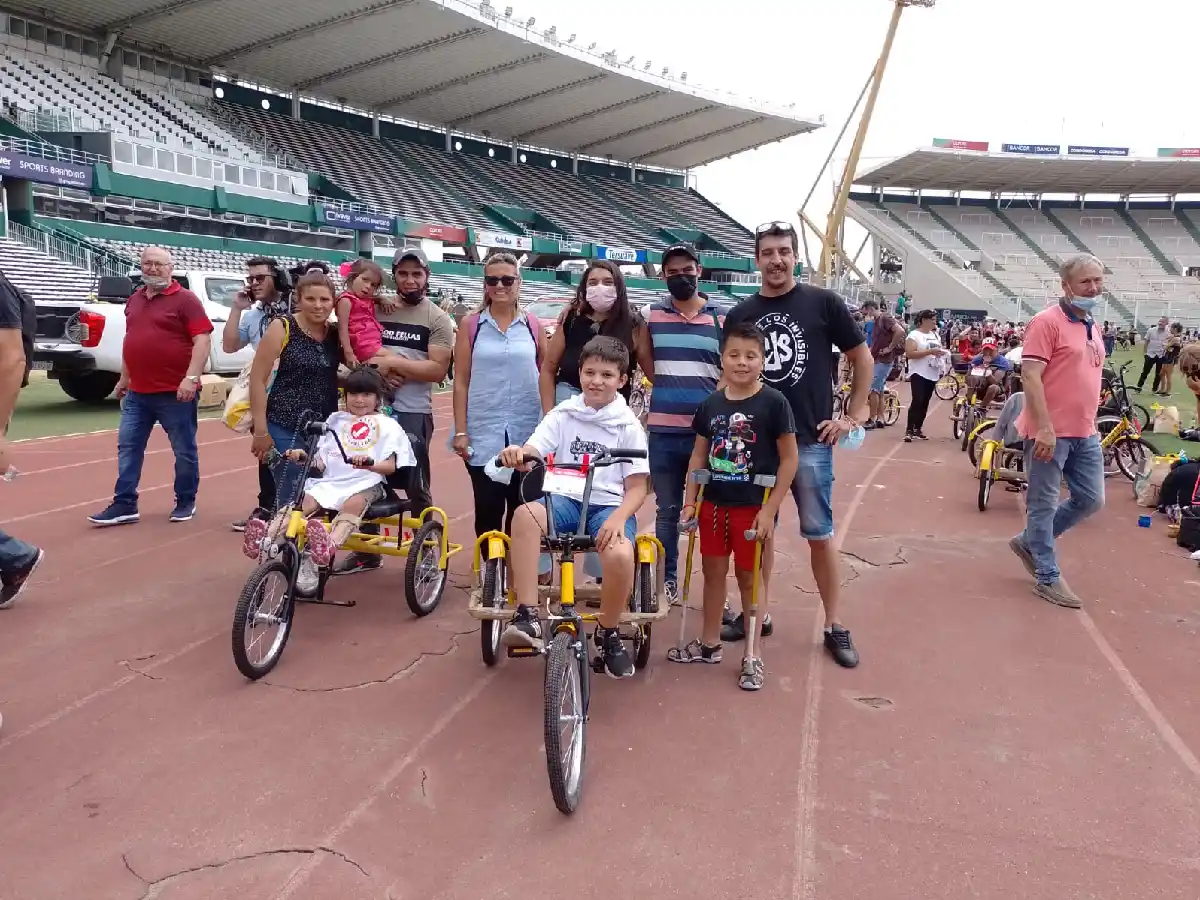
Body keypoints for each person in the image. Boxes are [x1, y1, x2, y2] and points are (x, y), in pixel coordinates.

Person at [722, 222, 871, 668]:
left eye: (784, 251)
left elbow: (860, 356)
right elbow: (730, 374)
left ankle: (834, 624)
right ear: (757, 259)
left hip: (809, 440)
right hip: (754, 445)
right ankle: (758, 614)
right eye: (767, 252)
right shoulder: (740, 313)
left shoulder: (823, 302)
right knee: (757, 536)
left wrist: (854, 414)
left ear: (795, 257)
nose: (776, 260)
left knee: (820, 536)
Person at [496, 336, 650, 679]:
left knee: (622, 555)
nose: (597, 381)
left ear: (622, 380)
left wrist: (620, 517)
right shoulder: (563, 414)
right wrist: (519, 452)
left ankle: (608, 632)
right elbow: (536, 448)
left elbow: (638, 487)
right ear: (579, 373)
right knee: (524, 515)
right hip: (564, 499)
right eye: (590, 372)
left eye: (607, 375)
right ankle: (527, 614)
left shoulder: (628, 427)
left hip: (607, 506)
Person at [670, 322, 798, 691]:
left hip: (751, 507)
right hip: (713, 505)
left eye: (751, 356)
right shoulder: (711, 404)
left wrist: (770, 510)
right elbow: (699, 454)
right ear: (722, 359)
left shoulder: (775, 403)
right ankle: (710, 643)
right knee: (711, 575)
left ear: (763, 360)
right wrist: (690, 502)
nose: (742, 362)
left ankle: (752, 654)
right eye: (734, 355)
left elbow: (789, 459)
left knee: (749, 579)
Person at [334, 248, 452, 577]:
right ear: (394, 276)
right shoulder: (373, 306)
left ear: (427, 276)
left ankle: (428, 550)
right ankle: (365, 551)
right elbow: (351, 347)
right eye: (403, 273)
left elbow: (437, 371)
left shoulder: (437, 319)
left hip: (412, 410)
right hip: (365, 411)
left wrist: (392, 365)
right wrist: (373, 374)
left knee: (414, 482)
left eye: (417, 274)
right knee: (360, 475)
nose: (410, 280)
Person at [1009, 254, 1107, 608]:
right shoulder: (1045, 322)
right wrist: (1045, 428)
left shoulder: (1092, 324)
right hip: (1049, 432)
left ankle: (1029, 542)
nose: (1093, 287)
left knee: (1091, 499)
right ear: (1066, 286)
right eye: (1085, 282)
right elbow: (1030, 376)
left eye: (1097, 280)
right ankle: (1047, 576)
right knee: (1043, 504)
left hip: (1085, 431)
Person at [88, 247, 212, 526]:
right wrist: (124, 378)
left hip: (175, 392)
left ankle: (185, 500)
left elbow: (202, 341)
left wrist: (191, 378)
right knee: (128, 446)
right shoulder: (135, 300)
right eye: (147, 264)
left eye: (158, 264)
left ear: (170, 268)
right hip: (138, 393)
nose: (152, 269)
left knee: (183, 449)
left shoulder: (186, 300)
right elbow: (132, 340)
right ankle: (125, 503)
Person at [243, 366, 414, 564]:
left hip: (367, 483)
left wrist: (369, 464)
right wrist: (304, 458)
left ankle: (330, 542)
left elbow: (391, 466)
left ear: (378, 398)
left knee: (354, 503)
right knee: (303, 502)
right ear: (346, 395)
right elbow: (322, 463)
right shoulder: (336, 420)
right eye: (354, 394)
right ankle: (265, 537)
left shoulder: (388, 425)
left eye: (366, 394)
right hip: (331, 481)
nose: (359, 400)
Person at [635, 243, 726, 605]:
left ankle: (715, 590)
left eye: (686, 269)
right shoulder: (651, 315)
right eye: (672, 272)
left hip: (709, 435)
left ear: (699, 270)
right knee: (668, 510)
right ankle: (667, 581)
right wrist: (667, 385)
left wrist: (712, 406)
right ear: (663, 276)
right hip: (664, 432)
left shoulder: (721, 317)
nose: (680, 276)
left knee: (714, 511)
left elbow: (730, 368)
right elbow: (644, 356)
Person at [248, 271, 344, 593]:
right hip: (282, 423)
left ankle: (283, 549)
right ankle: (287, 560)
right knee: (291, 493)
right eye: (311, 299)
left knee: (316, 494)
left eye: (325, 299)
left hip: (322, 429)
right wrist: (260, 431)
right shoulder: (283, 327)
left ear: (333, 302)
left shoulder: (333, 335)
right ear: (299, 299)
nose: (318, 305)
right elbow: (258, 380)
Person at [451, 252, 544, 551]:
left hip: (526, 432)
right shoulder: (471, 325)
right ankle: (489, 579)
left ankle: (518, 579)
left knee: (522, 511)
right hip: (484, 432)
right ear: (485, 284)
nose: (500, 285)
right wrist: (461, 431)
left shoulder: (533, 325)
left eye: (507, 279)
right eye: (492, 280)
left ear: (519, 281)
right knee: (488, 511)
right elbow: (461, 381)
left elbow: (547, 375)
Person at [223, 257, 293, 533]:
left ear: (278, 278)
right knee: (266, 451)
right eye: (250, 278)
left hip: (297, 389)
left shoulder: (296, 307)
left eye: (260, 278)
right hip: (265, 391)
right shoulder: (253, 315)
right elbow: (229, 346)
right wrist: (236, 309)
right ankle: (267, 505)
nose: (253, 284)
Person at [539, 259, 648, 410]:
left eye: (608, 282)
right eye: (593, 282)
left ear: (619, 287)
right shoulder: (571, 320)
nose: (600, 287)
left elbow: (651, 372)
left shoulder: (634, 326)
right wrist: (548, 413)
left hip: (611, 411)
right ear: (585, 288)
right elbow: (548, 369)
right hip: (566, 403)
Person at [335, 257, 391, 368]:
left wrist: (382, 299)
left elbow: (375, 298)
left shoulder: (366, 298)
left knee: (386, 369)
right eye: (365, 280)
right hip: (362, 344)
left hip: (372, 343)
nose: (368, 286)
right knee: (395, 359)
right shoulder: (346, 300)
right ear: (352, 277)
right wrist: (348, 352)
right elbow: (342, 328)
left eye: (373, 285)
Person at [904, 308, 950, 442]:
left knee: (925, 401)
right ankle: (909, 429)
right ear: (923, 320)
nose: (935, 322)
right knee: (917, 399)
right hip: (918, 372)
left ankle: (918, 428)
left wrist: (941, 356)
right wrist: (929, 351)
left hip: (932, 372)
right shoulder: (914, 335)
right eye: (933, 320)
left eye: (936, 320)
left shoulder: (936, 335)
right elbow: (910, 354)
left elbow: (937, 351)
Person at [860, 298, 905, 430]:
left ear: (870, 308)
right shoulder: (878, 321)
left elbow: (900, 331)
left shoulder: (884, 318)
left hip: (883, 360)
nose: (865, 315)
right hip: (879, 358)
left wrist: (890, 348)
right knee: (878, 390)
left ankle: (872, 418)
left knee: (873, 389)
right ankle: (880, 418)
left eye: (865, 312)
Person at [967, 340, 1014, 409]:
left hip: (997, 389)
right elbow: (967, 377)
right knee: (971, 380)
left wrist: (986, 369)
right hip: (979, 386)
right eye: (985, 350)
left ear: (996, 349)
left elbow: (995, 382)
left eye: (991, 350)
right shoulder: (977, 360)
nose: (988, 353)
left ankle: (982, 408)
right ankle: (969, 406)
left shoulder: (1003, 362)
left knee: (993, 387)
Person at [1135, 317, 1170, 393]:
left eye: (1163, 322)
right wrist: (1145, 353)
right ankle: (1139, 387)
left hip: (1161, 355)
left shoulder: (1168, 333)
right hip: (1150, 354)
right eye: (1160, 321)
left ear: (1167, 323)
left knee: (1158, 374)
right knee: (1145, 372)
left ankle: (1154, 389)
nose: (1160, 323)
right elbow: (1146, 341)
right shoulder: (1151, 330)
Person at [1157, 322, 1184, 397]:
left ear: (1175, 329)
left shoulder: (1176, 338)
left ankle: (1167, 392)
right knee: (1162, 374)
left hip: (1171, 358)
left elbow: (1166, 347)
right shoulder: (1175, 337)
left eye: (1171, 328)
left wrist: (1164, 344)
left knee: (1168, 375)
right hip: (1168, 357)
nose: (1170, 329)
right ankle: (1162, 390)